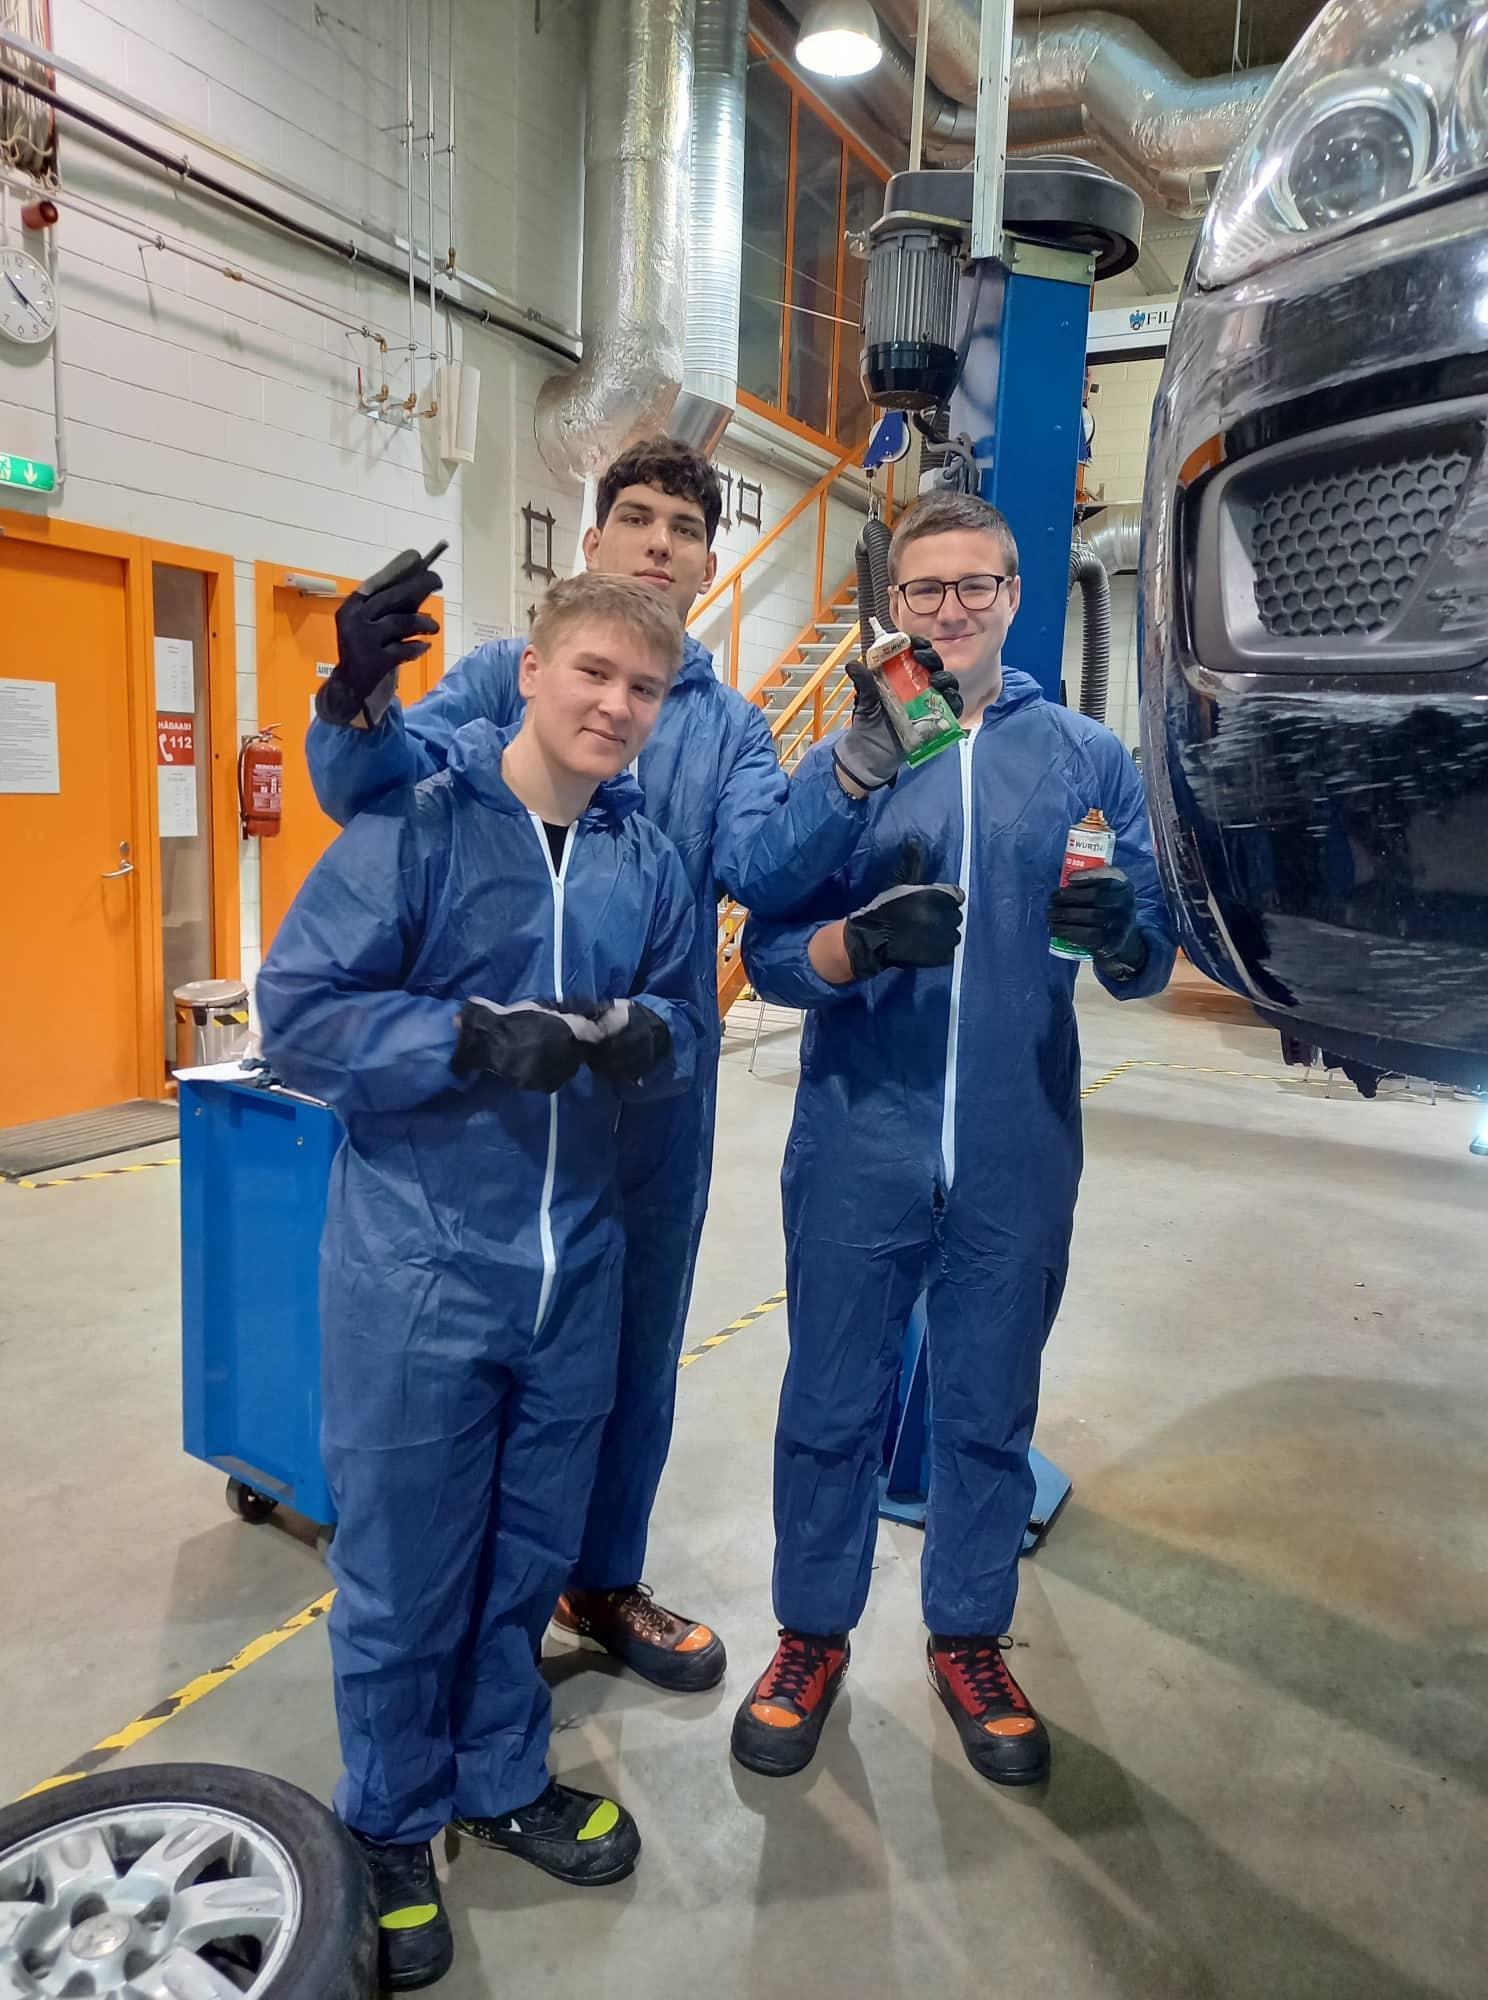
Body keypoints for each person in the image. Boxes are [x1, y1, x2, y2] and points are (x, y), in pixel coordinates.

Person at [305, 435, 952, 1693]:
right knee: (465, 1360)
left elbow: (762, 865)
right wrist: (356, 694)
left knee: (633, 1353)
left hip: (652, 1105)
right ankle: (465, 1601)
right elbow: (371, 795)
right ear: (592, 539)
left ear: (708, 566)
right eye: (639, 517)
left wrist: (854, 764)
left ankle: (599, 1579)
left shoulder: (731, 728)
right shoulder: (502, 675)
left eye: (687, 528)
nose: (661, 541)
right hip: (486, 1106)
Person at [257, 574, 703, 1993]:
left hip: (576, 1268)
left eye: (643, 689)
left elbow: (689, 1013)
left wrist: (653, 1036)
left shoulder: (645, 860)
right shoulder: (423, 824)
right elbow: (299, 1015)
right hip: (420, 1267)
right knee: (404, 1570)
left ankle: (500, 1774)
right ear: (530, 673)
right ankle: (389, 1818)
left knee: (524, 1557)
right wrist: (462, 1039)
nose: (614, 706)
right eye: (592, 673)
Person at [731, 492, 1176, 1789]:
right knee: (831, 1404)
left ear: (1014, 595)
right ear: (897, 606)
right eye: (926, 589)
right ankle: (810, 1635)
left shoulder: (1085, 758)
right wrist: (856, 944)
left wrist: (1123, 933)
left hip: (1015, 1141)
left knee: (987, 1407)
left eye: (976, 584)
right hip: (860, 1134)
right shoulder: (854, 754)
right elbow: (767, 934)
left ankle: (969, 1637)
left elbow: (1152, 952)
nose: (952, 608)